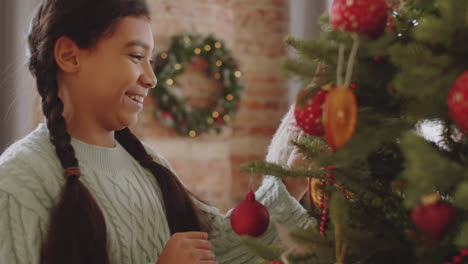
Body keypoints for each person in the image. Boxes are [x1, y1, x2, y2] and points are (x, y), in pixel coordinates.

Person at [0, 0, 310, 263]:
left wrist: (290, 184)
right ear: (69, 55)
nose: (151, 78)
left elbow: (217, 249)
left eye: (150, 60)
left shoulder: (149, 164)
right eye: (136, 56)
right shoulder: (18, 182)